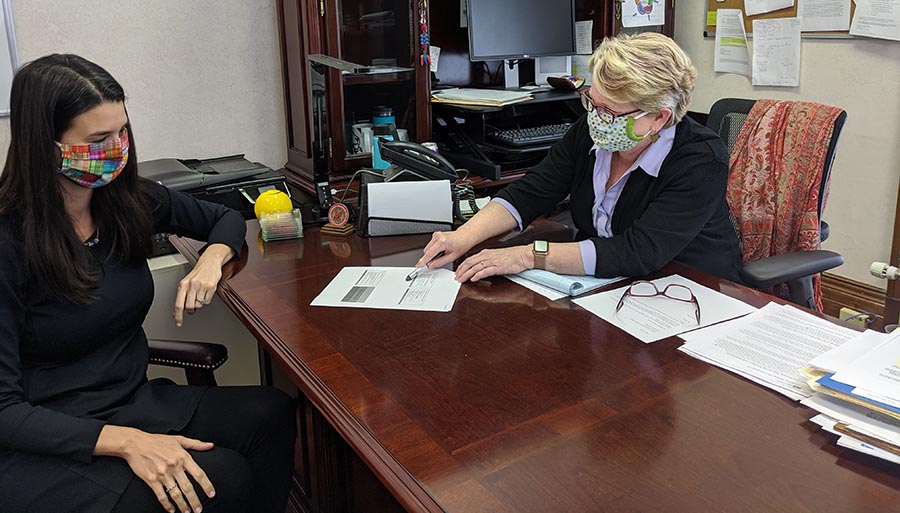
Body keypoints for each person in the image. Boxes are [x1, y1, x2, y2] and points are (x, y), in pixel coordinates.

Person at [0, 55, 295, 513]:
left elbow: (225, 218)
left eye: (122, 132)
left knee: (270, 415)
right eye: (99, 139)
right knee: (224, 477)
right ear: (46, 145)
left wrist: (212, 259)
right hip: (49, 439)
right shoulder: (7, 240)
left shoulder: (124, 200)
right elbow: (3, 412)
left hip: (130, 401)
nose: (118, 148)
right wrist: (127, 443)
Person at [416, 33, 741, 284]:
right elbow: (532, 192)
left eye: (611, 112)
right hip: (610, 285)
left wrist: (530, 255)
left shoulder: (700, 159)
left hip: (687, 291)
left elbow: (637, 252)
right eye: (592, 102)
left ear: (658, 118)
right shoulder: (590, 132)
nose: (596, 118)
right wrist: (462, 237)